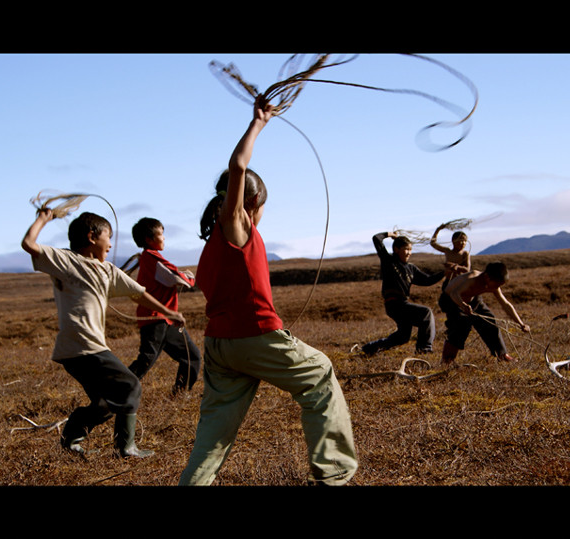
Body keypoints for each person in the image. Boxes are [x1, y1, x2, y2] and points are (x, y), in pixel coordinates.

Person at [178, 96, 358, 486]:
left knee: (213, 435)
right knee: (321, 374)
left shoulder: (211, 247)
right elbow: (238, 166)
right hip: (254, 337)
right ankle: (335, 476)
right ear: (253, 203)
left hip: (220, 346)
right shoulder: (236, 226)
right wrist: (259, 123)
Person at [22, 209, 186, 458]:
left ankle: (71, 440)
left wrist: (168, 313)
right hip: (83, 347)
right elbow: (29, 244)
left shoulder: (107, 271)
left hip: (79, 350)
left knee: (105, 402)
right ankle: (125, 448)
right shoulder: (66, 261)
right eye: (107, 237)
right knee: (131, 385)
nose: (110, 243)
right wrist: (44, 219)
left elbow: (139, 293)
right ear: (91, 237)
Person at [127, 217, 202, 396]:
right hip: (156, 319)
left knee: (191, 356)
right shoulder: (152, 257)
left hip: (166, 320)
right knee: (146, 360)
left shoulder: (149, 258)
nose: (164, 238)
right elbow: (174, 278)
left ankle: (179, 396)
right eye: (161, 234)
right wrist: (190, 277)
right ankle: (115, 390)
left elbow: (172, 275)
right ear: (149, 239)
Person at [361, 231, 443, 356]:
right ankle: (424, 350)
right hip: (394, 304)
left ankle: (370, 348)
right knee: (425, 313)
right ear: (396, 249)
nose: (409, 253)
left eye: (410, 250)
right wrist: (390, 234)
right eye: (406, 249)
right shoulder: (388, 261)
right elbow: (376, 239)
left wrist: (444, 273)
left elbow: (427, 280)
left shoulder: (411, 269)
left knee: (403, 337)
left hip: (403, 304)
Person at [438, 261, 530, 365]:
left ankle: (502, 354)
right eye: (496, 284)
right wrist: (463, 305)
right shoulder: (471, 279)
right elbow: (454, 294)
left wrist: (521, 323)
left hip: (473, 299)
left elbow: (506, 304)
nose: (497, 288)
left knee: (490, 321)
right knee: (461, 326)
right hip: (452, 300)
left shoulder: (494, 284)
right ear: (487, 277)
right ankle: (447, 360)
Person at [430, 225, 470, 290]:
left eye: (465, 241)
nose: (463, 243)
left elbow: (467, 269)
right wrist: (438, 230)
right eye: (461, 240)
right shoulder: (447, 251)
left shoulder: (465, 253)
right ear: (453, 241)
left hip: (461, 282)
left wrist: (456, 266)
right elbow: (433, 243)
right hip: (448, 281)